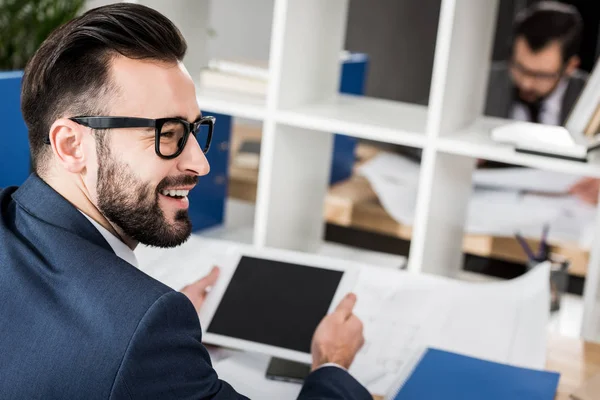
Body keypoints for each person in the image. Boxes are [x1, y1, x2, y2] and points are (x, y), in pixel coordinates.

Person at [0, 4, 370, 399]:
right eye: (169, 133)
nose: (201, 163)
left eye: (194, 129)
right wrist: (331, 364)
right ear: (72, 145)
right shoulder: (144, 329)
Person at [484, 1, 598, 204]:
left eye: (540, 75)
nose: (526, 82)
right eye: (520, 67)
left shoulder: (591, 103)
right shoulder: (483, 82)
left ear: (570, 67)